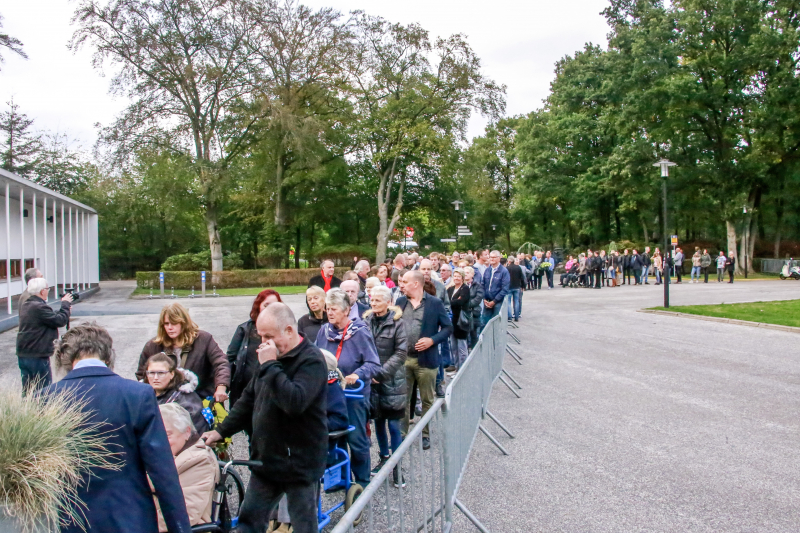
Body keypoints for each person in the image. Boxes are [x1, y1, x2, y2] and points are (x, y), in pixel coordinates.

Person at [49, 323, 191, 533]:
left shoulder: (45, 398)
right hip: (130, 518)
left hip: (69, 520)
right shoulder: (138, 395)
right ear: (108, 356)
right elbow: (163, 472)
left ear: (66, 358)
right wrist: (180, 528)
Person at [203, 303, 327, 533]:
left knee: (303, 526)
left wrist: (270, 364)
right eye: (261, 336)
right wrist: (221, 431)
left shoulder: (311, 360)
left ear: (289, 330)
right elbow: (248, 400)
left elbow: (294, 402)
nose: (264, 343)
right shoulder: (269, 358)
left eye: (269, 336)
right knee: (249, 522)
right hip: (266, 460)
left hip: (300, 464)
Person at [316, 288, 381, 487]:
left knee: (357, 440)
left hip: (354, 396)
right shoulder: (324, 331)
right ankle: (339, 480)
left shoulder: (359, 332)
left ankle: (362, 481)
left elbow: (374, 363)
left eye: (334, 309)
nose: (330, 312)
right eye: (328, 308)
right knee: (334, 439)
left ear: (346, 311)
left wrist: (357, 374)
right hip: (330, 395)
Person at [396, 270, 452, 450]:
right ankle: (401, 435)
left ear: (416, 284)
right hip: (404, 359)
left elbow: (448, 328)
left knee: (427, 399)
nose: (401, 284)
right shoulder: (400, 302)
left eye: (405, 281)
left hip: (426, 360)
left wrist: (432, 340)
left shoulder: (435, 303)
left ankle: (425, 434)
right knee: (403, 399)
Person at [362, 285, 408, 487]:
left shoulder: (398, 323)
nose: (373, 304)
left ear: (388, 302)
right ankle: (383, 457)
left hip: (392, 382)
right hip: (372, 383)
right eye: (372, 300)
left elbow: (401, 353)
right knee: (378, 422)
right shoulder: (366, 322)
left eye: (378, 300)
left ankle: (397, 466)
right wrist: (369, 373)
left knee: (394, 425)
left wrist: (381, 374)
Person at [137, 303, 230, 401]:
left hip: (199, 398)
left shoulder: (204, 339)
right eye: (166, 324)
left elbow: (221, 363)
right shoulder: (153, 345)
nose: (170, 327)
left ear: (184, 323)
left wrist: (221, 387)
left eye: (174, 323)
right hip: (163, 401)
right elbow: (142, 374)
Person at [156, 403, 219, 531]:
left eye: (167, 434)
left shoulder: (200, 461)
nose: (160, 440)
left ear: (187, 432)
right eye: (155, 434)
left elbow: (182, 513)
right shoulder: (164, 454)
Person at [226, 289, 282, 407]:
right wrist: (223, 386)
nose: (270, 309)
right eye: (266, 305)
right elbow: (229, 359)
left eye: (274, 306)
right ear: (258, 306)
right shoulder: (244, 329)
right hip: (244, 391)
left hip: (271, 392)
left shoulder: (284, 331)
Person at [16, 277, 72, 394]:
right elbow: (60, 320)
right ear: (42, 291)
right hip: (36, 355)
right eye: (47, 289)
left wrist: (64, 310)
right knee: (43, 390)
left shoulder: (28, 304)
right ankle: (41, 406)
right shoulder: (39, 307)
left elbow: (50, 317)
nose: (48, 291)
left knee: (28, 389)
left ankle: (29, 405)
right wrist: (65, 304)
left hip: (25, 353)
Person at [144, 352, 209, 434]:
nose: (155, 378)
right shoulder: (140, 396)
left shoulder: (186, 400)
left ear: (172, 374)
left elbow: (194, 433)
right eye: (151, 373)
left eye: (161, 373)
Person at [447, 268, 471, 368]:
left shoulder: (465, 288)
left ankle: (463, 369)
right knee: (453, 346)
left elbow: (461, 302)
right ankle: (456, 367)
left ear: (462, 278)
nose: (456, 278)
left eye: (458, 276)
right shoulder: (450, 289)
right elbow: (445, 301)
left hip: (461, 321)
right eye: (455, 276)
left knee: (462, 347)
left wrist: (451, 302)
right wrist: (455, 301)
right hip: (451, 321)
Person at [481, 250, 510, 327]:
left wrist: (494, 301)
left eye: (494, 257)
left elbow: (505, 289)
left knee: (496, 324)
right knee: (484, 323)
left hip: (498, 302)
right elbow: (483, 285)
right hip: (487, 302)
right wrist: (484, 298)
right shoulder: (487, 270)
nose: (492, 259)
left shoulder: (504, 271)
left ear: (499, 258)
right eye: (490, 257)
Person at [464, 266, 484, 349]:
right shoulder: (461, 285)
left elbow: (478, 298)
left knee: (473, 333)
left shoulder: (477, 285)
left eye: (467, 273)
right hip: (464, 312)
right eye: (464, 273)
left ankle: (474, 350)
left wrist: (467, 304)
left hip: (474, 312)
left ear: (472, 274)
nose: (465, 274)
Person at [506, 256, 524, 321]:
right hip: (517, 286)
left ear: (509, 261)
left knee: (508, 302)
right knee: (516, 301)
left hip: (509, 287)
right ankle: (516, 316)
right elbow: (522, 277)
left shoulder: (507, 268)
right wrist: (522, 286)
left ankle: (509, 316)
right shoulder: (518, 268)